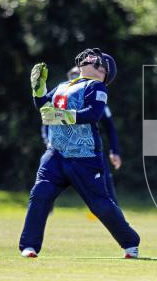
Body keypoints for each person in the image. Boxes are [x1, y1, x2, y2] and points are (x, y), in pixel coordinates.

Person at [19, 48, 140, 259]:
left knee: (99, 205)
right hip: (55, 154)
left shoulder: (97, 86)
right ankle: (29, 246)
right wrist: (38, 90)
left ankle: (130, 243)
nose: (88, 58)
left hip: (84, 157)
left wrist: (63, 116)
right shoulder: (64, 85)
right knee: (40, 194)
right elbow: (45, 109)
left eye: (95, 59)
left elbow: (94, 113)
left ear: (103, 70)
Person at [41, 66, 122, 205]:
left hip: (88, 151)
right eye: (72, 75)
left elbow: (109, 126)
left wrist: (114, 150)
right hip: (62, 151)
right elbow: (47, 120)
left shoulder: (95, 99)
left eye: (76, 75)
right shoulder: (61, 97)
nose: (74, 78)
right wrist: (48, 141)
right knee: (45, 184)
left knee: (105, 187)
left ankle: (116, 218)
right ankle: (43, 213)